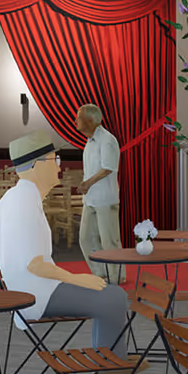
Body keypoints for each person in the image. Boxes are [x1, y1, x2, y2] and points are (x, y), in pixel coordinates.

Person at [0, 131, 129, 354]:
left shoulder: (14, 198)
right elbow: (34, 264)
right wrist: (77, 278)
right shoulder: (23, 204)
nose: (59, 166)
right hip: (35, 296)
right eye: (54, 160)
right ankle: (113, 362)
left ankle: (106, 356)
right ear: (37, 166)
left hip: (26, 289)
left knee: (108, 293)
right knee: (115, 297)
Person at [75, 104, 123, 286]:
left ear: (90, 120)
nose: (76, 121)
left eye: (79, 118)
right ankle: (100, 273)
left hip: (105, 199)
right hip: (90, 199)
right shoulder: (89, 142)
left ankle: (116, 276)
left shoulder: (107, 140)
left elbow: (108, 168)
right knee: (86, 238)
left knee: (109, 240)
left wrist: (88, 183)